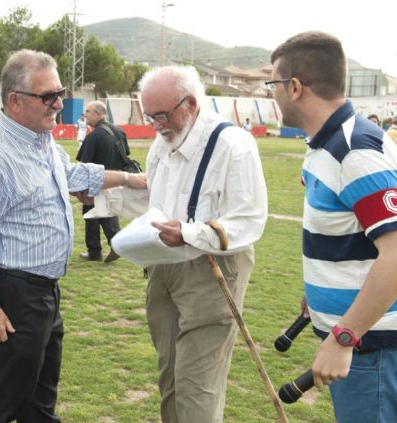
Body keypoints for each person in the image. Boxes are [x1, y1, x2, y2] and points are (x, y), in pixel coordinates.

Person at [0, 49, 146, 422]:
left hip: (42, 295)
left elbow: (70, 174)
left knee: (40, 403)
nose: (59, 103)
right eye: (48, 96)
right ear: (15, 102)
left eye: (61, 92)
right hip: (12, 296)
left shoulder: (39, 142)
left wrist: (130, 178)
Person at [269, 31, 397, 422]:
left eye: (273, 84)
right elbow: (353, 238)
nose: (271, 95)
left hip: (378, 347)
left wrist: (345, 335)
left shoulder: (355, 151)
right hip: (369, 343)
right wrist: (324, 291)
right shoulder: (329, 146)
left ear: (294, 87)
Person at [91, 65, 267, 422]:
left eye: (162, 115)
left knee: (197, 384)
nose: (156, 124)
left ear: (190, 103)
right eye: (149, 115)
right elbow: (156, 201)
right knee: (170, 376)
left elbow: (248, 220)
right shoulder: (164, 141)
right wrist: (103, 198)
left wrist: (189, 234)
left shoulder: (233, 144)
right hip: (163, 265)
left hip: (212, 268)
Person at [76, 101, 128, 262]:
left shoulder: (93, 136)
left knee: (91, 215)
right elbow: (126, 154)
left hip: (95, 181)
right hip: (115, 180)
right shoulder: (119, 131)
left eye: (88, 112)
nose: (85, 115)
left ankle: (95, 251)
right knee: (109, 211)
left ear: (98, 114)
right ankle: (117, 244)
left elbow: (83, 164)